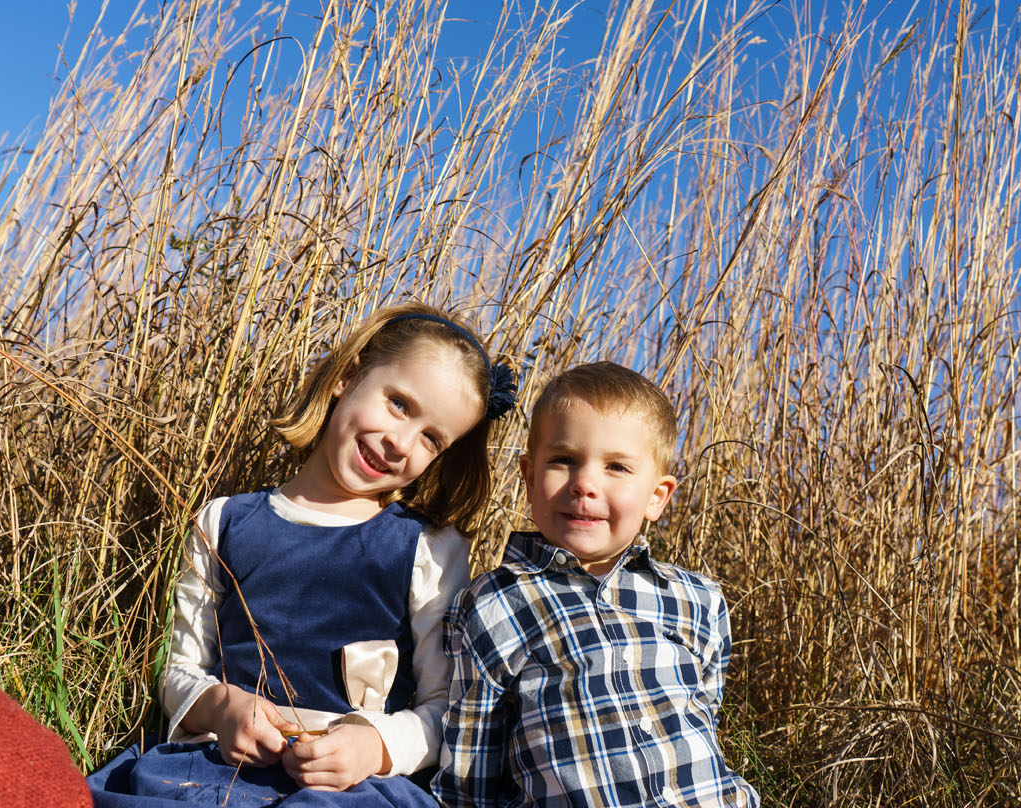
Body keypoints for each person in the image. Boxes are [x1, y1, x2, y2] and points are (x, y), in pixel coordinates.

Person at [89, 303, 516, 806]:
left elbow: (446, 707)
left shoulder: (429, 548)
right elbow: (178, 669)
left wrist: (373, 746)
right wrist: (219, 707)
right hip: (214, 773)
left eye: (430, 438)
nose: (400, 442)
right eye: (399, 404)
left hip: (354, 790)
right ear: (348, 376)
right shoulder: (225, 522)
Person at [433, 361, 759, 808]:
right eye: (563, 460)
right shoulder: (495, 603)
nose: (584, 483)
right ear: (528, 478)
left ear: (656, 497)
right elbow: (470, 770)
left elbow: (703, 718)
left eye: (617, 468)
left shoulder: (696, 599)